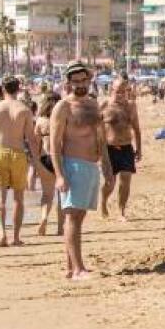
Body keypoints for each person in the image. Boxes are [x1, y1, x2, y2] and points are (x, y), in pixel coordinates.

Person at [49, 61, 109, 281]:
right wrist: (59, 175)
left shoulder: (93, 105)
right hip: (72, 165)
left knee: (79, 217)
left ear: (89, 80)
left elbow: (101, 140)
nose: (80, 85)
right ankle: (78, 269)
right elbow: (54, 145)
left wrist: (108, 170)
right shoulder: (63, 107)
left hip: (91, 167)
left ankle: (69, 266)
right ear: (68, 83)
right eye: (75, 81)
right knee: (72, 217)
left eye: (83, 80)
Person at [0, 76, 41, 246]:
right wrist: (36, 159)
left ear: (2, 89)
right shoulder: (24, 109)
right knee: (18, 198)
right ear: (19, 88)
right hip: (18, 153)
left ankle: (2, 233)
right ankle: (15, 236)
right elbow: (31, 138)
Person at [100, 78, 142, 222]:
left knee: (126, 180)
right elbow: (93, 126)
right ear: (112, 90)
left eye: (123, 92)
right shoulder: (105, 104)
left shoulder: (131, 106)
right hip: (108, 149)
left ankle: (121, 211)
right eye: (118, 91)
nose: (120, 95)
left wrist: (139, 149)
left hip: (126, 147)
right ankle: (103, 201)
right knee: (110, 183)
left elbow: (136, 128)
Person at [34, 93, 63, 237]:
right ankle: (60, 228)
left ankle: (44, 217)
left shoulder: (40, 121)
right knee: (62, 195)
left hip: (45, 158)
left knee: (47, 195)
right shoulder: (62, 119)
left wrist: (35, 164)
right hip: (61, 158)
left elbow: (36, 144)